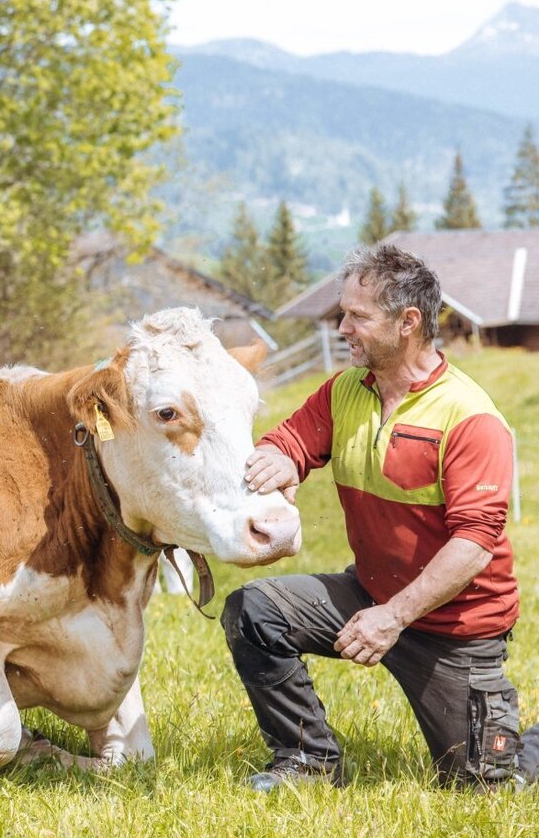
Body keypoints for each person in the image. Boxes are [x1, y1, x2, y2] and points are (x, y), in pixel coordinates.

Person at [224, 243, 538, 792]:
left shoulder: (469, 417)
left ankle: (521, 749)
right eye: (342, 313)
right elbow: (294, 438)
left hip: (455, 629)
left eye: (357, 316)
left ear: (408, 322)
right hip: (369, 593)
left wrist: (392, 618)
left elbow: (474, 544)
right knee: (254, 612)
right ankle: (308, 763)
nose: (343, 326)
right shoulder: (346, 389)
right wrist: (279, 458)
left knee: (485, 788)